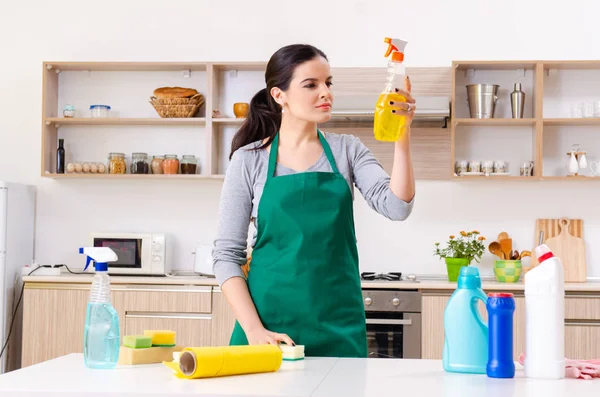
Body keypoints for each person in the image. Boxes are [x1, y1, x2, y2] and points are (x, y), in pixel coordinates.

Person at [212, 43, 416, 358]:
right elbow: (226, 256)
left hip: (337, 323)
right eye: (311, 85)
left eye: (328, 83)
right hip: (268, 327)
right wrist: (253, 329)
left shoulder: (347, 150)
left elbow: (397, 206)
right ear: (279, 95)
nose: (326, 93)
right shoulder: (248, 160)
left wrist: (402, 134)